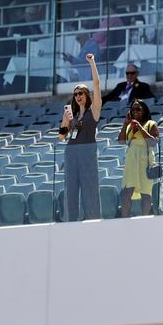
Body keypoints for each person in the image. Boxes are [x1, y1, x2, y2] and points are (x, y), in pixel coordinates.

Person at [58, 53, 102, 221]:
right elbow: (62, 137)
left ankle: (93, 221)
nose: (78, 96)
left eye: (81, 92)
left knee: (90, 189)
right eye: (76, 93)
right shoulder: (73, 115)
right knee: (70, 191)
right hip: (71, 153)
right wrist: (65, 118)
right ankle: (70, 221)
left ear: (87, 95)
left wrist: (92, 62)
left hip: (87, 153)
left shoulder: (94, 110)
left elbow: (97, 84)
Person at [118, 99, 159, 217]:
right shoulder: (129, 126)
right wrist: (126, 123)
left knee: (145, 193)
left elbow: (153, 142)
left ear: (144, 111)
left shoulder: (151, 124)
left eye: (138, 109)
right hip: (131, 159)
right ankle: (125, 220)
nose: (135, 111)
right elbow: (121, 141)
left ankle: (145, 219)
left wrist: (140, 127)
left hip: (145, 159)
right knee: (126, 192)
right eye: (133, 109)